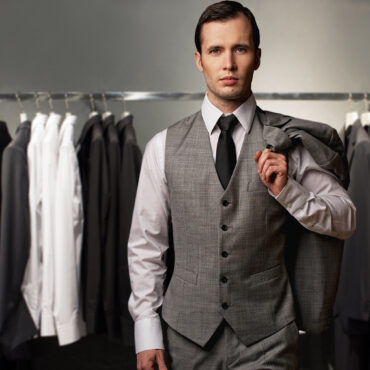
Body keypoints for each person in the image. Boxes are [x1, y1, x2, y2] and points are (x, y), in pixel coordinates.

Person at [127, 1, 356, 369]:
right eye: (216, 50)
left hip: (269, 340)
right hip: (185, 338)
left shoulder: (289, 143)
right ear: (199, 59)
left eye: (241, 49)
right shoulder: (162, 147)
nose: (229, 63)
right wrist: (146, 330)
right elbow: (147, 245)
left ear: (258, 57)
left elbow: (346, 219)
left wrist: (289, 193)